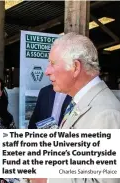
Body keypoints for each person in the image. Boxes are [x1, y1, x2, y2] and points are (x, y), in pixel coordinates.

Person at [44, 32, 120, 183]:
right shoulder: (82, 101)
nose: (47, 71)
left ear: (75, 67)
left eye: (52, 63)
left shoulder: (106, 114)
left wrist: (48, 178)